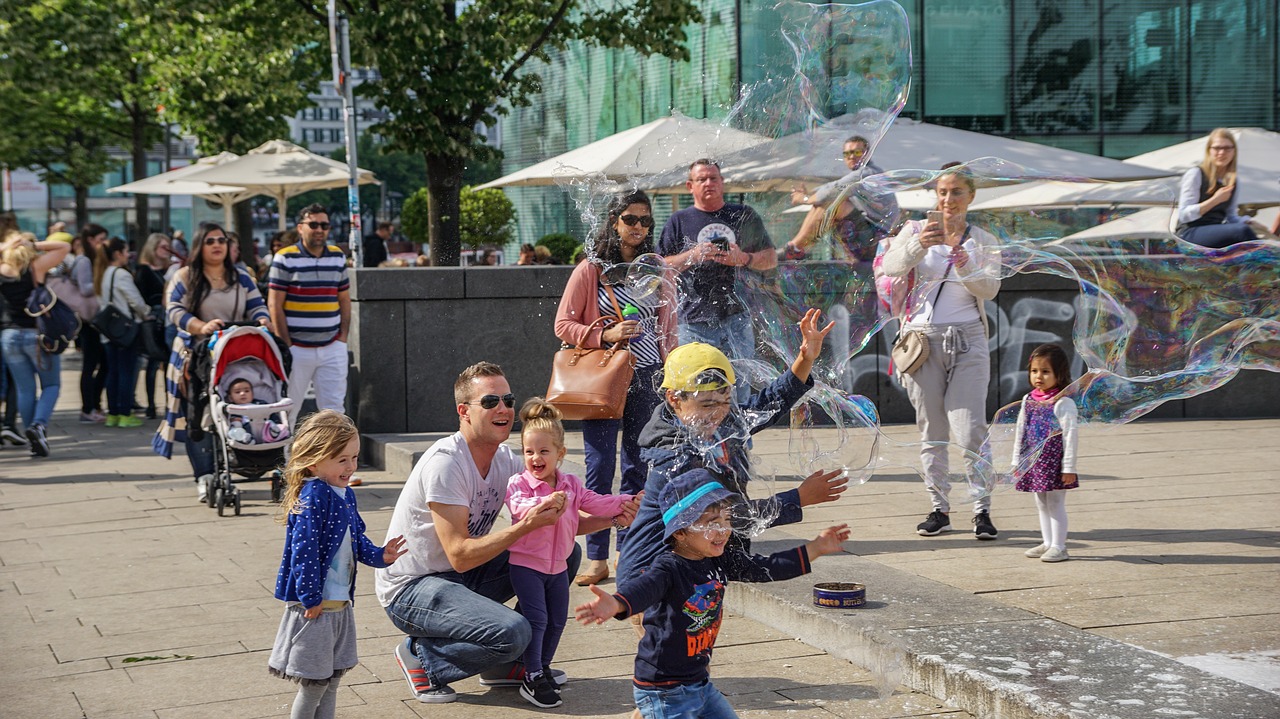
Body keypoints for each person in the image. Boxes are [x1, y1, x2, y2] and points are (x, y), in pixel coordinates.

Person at [375, 361, 638, 704]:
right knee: (515, 632)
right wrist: (527, 525)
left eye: (508, 400)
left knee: (565, 553)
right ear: (463, 411)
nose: (503, 409)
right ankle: (424, 659)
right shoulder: (446, 463)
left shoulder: (508, 461)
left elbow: (562, 523)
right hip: (413, 587)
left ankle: (508, 665)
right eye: (489, 402)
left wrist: (616, 517)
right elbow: (459, 553)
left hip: (463, 575)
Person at [576, 469, 850, 719]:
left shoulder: (720, 559)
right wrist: (615, 603)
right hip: (665, 689)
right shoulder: (668, 567)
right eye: (710, 523)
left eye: (726, 520)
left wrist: (815, 548)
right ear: (681, 532)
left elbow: (766, 567)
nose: (722, 530)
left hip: (699, 682)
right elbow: (643, 589)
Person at [616, 309, 847, 591]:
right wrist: (798, 498)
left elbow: (768, 404)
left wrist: (805, 358)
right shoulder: (676, 460)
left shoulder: (721, 422)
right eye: (707, 405)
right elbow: (732, 517)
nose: (718, 414)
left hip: (696, 568)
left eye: (725, 401)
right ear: (674, 399)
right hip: (652, 580)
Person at [555, 189, 678, 587]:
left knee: (638, 467)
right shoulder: (591, 269)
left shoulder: (656, 269)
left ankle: (632, 550)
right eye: (630, 219)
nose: (638, 227)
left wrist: (670, 370)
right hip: (603, 379)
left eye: (645, 221)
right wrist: (606, 333)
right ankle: (596, 556)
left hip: (647, 375)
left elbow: (668, 327)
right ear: (614, 221)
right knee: (599, 466)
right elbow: (563, 325)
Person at [877, 165, 1002, 540]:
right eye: (942, 192)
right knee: (931, 428)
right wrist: (920, 245)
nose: (948, 200)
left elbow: (989, 290)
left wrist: (966, 264)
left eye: (956, 193)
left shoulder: (982, 239)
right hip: (921, 339)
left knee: (970, 429)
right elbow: (893, 266)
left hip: (968, 339)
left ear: (971, 197)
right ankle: (939, 509)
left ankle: (982, 510)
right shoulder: (915, 229)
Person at [268, 410, 408, 719]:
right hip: (317, 606)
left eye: (355, 457)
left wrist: (380, 555)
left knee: (331, 680)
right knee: (315, 683)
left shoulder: (344, 494)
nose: (351, 466)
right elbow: (303, 551)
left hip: (339, 603)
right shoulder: (313, 494)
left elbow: (356, 538)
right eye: (342, 459)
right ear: (314, 460)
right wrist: (310, 598)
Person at [504, 398, 637, 708]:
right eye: (529, 451)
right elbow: (518, 508)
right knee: (536, 619)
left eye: (543, 451)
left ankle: (542, 666)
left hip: (559, 566)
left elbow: (598, 502)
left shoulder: (572, 486)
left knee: (556, 622)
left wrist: (629, 501)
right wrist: (545, 504)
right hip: (526, 566)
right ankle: (532, 674)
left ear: (560, 454)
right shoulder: (519, 484)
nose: (535, 458)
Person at [152, 222, 271, 501]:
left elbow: (258, 305)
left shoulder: (241, 276)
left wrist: (263, 319)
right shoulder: (184, 276)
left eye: (222, 240)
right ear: (198, 246)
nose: (217, 245)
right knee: (198, 414)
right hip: (196, 355)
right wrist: (200, 326)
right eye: (210, 241)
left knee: (235, 407)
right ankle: (204, 473)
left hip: (236, 355)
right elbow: (174, 310)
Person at [658, 159, 776, 402]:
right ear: (690, 186)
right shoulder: (678, 220)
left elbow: (770, 258)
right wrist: (693, 255)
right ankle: (701, 439)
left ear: (722, 183)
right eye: (701, 179)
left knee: (739, 387)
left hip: (737, 317)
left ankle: (740, 441)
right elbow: (659, 266)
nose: (708, 183)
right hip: (692, 320)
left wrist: (743, 257)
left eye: (713, 178)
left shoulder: (742, 215)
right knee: (694, 388)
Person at [269, 204, 351, 414]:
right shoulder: (284, 257)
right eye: (313, 224)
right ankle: (284, 448)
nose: (319, 230)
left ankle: (333, 449)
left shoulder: (337, 256)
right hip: (296, 347)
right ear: (300, 228)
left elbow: (344, 299)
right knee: (287, 408)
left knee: (334, 411)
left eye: (324, 225)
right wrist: (286, 344)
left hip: (332, 346)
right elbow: (274, 304)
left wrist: (343, 337)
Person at [0, 231, 70, 457]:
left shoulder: (2, 270)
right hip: (36, 335)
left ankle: (34, 438)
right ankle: (38, 426)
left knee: (24, 389)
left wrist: (7, 246)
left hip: (9, 337)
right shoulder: (35, 267)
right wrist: (33, 244)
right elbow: (63, 247)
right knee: (51, 386)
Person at [1013, 344, 1079, 564]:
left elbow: (1071, 437)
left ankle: (1059, 546)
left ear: (1059, 374)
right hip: (1034, 461)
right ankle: (1047, 542)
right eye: (1034, 371)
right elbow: (1020, 432)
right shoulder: (1028, 400)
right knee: (1041, 502)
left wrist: (1068, 468)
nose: (1038, 376)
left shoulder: (1063, 402)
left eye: (1045, 371)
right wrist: (1018, 462)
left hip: (1055, 463)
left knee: (1056, 503)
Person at [786, 135, 900, 261]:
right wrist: (810, 195)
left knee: (833, 203)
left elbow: (833, 190)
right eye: (847, 153)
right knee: (826, 202)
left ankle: (794, 249)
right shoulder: (866, 173)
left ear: (867, 154)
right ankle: (796, 248)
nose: (851, 156)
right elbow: (830, 189)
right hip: (870, 234)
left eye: (857, 152)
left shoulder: (866, 173)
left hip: (877, 239)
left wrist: (804, 199)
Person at [94, 238, 149, 428]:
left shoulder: (102, 273)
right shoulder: (121, 274)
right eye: (126, 252)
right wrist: (146, 313)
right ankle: (125, 413)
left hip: (108, 331)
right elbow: (135, 301)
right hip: (124, 330)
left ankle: (113, 414)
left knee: (113, 372)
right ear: (118, 254)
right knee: (126, 371)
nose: (128, 255)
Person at [1176, 128, 1257, 249]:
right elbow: (1184, 215)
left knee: (1249, 234)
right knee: (1242, 232)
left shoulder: (1234, 180)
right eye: (1217, 148)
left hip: (1215, 230)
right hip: (1189, 233)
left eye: (1227, 148)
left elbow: (1231, 217)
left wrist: (1247, 221)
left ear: (1234, 151)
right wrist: (1215, 200)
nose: (1222, 152)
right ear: (1209, 151)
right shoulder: (1196, 174)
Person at [73, 224, 109, 423]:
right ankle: (88, 407)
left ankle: (94, 404)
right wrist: (104, 281)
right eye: (100, 239)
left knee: (103, 364)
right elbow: (85, 288)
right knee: (90, 365)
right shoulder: (84, 260)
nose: (103, 243)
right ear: (90, 239)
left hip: (95, 318)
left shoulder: (93, 259)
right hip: (88, 320)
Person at [136, 233, 173, 418]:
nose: (165, 250)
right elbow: (141, 296)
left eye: (168, 246)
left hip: (167, 319)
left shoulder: (169, 270)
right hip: (153, 319)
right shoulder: (144, 270)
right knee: (152, 363)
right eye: (162, 247)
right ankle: (151, 404)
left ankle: (169, 403)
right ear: (153, 248)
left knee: (167, 363)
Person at [226, 377, 290, 445]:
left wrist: (277, 423)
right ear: (230, 398)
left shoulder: (260, 403)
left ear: (252, 394)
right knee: (240, 430)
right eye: (237, 392)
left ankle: (273, 434)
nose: (242, 393)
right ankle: (248, 439)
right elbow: (235, 423)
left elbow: (271, 413)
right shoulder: (234, 409)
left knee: (270, 422)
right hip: (247, 427)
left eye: (247, 391)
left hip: (264, 425)